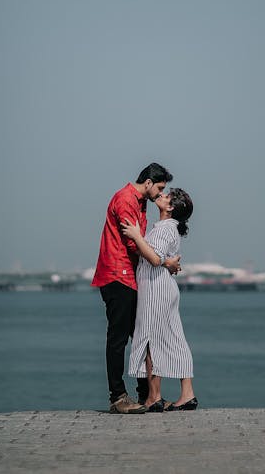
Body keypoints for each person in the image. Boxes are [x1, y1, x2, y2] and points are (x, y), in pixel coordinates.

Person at [91, 163, 180, 414]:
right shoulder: (125, 200)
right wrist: (163, 261)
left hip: (129, 276)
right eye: (160, 188)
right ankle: (118, 397)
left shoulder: (139, 202)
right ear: (149, 183)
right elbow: (134, 244)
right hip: (116, 275)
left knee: (140, 335)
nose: (160, 193)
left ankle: (146, 396)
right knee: (118, 338)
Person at [120, 187, 198, 412]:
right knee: (174, 338)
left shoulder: (165, 229)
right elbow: (160, 258)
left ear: (170, 207)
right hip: (163, 287)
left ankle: (154, 397)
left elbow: (154, 258)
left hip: (155, 288)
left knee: (151, 339)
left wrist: (135, 235)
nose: (161, 196)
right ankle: (187, 394)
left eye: (166, 196)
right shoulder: (168, 229)